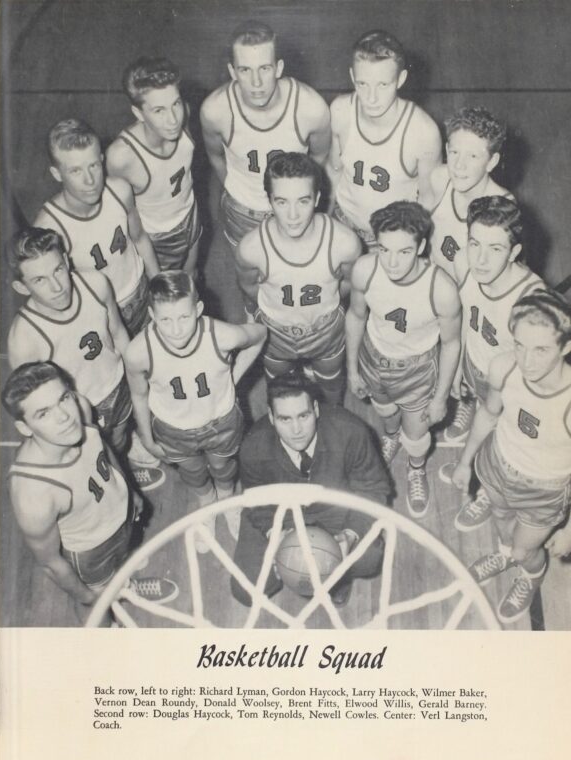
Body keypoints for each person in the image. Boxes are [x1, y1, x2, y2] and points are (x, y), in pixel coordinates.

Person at [448, 290, 571, 624]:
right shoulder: (503, 366)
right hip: (497, 464)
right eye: (519, 344)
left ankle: (530, 574)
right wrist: (464, 460)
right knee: (501, 520)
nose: (527, 361)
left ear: (565, 348)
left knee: (524, 550)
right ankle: (504, 555)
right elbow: (488, 413)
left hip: (542, 489)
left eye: (541, 350)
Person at [3, 361, 179, 626]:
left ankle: (123, 586)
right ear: (25, 428)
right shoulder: (33, 493)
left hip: (119, 513)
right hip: (91, 549)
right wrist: (87, 598)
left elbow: (102, 448)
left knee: (120, 566)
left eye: (64, 398)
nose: (64, 415)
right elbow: (51, 563)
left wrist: (130, 490)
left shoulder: (80, 409)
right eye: (43, 413)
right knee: (95, 605)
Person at [6, 226, 164, 491]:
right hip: (82, 406)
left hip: (117, 380)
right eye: (40, 280)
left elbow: (117, 331)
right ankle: (117, 475)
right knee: (100, 448)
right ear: (21, 286)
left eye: (57, 270)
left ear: (67, 261)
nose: (56, 287)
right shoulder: (24, 340)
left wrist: (136, 373)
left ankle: (127, 451)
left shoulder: (95, 283)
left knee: (120, 434)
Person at [124, 271, 267, 547]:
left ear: (198, 309)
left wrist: (233, 376)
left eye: (184, 317)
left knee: (223, 465)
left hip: (221, 420)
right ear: (152, 315)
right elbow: (139, 395)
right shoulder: (138, 352)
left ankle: (226, 500)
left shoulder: (223, 335)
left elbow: (260, 334)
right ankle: (206, 502)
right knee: (193, 472)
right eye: (165, 319)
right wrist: (146, 436)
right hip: (173, 427)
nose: (176, 329)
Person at [231, 371, 390, 606]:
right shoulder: (254, 446)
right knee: (246, 589)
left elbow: (373, 489)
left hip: (335, 511)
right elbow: (257, 503)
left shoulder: (350, 432)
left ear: (315, 409)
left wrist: (349, 535)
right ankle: (293, 572)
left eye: (303, 416)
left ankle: (337, 579)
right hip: (281, 514)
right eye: (285, 419)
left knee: (370, 557)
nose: (297, 429)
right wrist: (276, 537)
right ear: (272, 418)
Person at [346, 200, 461, 518]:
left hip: (417, 369)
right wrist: (352, 369)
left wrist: (440, 397)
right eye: (385, 250)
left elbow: (452, 343)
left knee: (417, 433)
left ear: (422, 246)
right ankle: (390, 436)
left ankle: (416, 468)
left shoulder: (441, 289)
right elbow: (356, 317)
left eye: (404, 252)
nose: (392, 263)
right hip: (374, 356)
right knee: (385, 411)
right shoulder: (365, 269)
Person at [441, 196, 544, 531]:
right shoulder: (462, 263)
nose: (481, 259)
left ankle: (487, 487)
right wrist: (457, 366)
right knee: (479, 409)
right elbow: (461, 317)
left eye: (495, 249)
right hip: (476, 363)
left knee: (498, 444)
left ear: (514, 252)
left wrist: (467, 462)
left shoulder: (530, 302)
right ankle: (471, 416)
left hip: (510, 387)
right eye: (475, 243)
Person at [236, 152, 361, 404]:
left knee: (332, 385)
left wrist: (326, 308)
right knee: (280, 389)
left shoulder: (344, 243)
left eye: (302, 201)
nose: (293, 215)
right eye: (282, 202)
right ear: (269, 200)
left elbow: (349, 284)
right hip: (275, 330)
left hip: (324, 328)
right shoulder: (252, 248)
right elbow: (249, 287)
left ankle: (330, 425)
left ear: (316, 198)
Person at [200, 20, 331, 251]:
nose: (256, 82)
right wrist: (240, 194)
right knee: (249, 277)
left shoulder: (310, 107)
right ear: (232, 71)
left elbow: (319, 160)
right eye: (245, 70)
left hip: (292, 211)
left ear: (278, 68)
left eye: (264, 68)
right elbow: (216, 158)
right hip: (242, 210)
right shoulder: (215, 110)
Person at [35, 118, 159, 339]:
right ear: (57, 174)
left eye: (93, 165)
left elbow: (139, 238)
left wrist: (158, 286)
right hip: (100, 312)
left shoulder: (120, 191)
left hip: (140, 290)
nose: (90, 180)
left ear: (102, 159)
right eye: (75, 171)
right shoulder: (50, 227)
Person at [328, 30, 441, 250]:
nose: (371, 98)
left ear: (400, 79)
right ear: (352, 76)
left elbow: (429, 201)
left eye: (382, 85)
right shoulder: (341, 111)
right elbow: (333, 170)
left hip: (389, 243)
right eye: (362, 84)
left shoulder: (423, 132)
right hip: (342, 226)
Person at [106, 57, 201, 282]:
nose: (172, 120)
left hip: (190, 216)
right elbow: (122, 216)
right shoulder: (122, 157)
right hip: (157, 238)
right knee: (166, 297)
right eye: (158, 110)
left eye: (175, 104)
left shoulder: (184, 116)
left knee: (191, 279)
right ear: (139, 114)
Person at [425, 106, 513, 278]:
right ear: (446, 149)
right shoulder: (439, 179)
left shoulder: (502, 209)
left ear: (492, 161)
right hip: (430, 278)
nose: (459, 165)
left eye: (472, 156)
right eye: (454, 152)